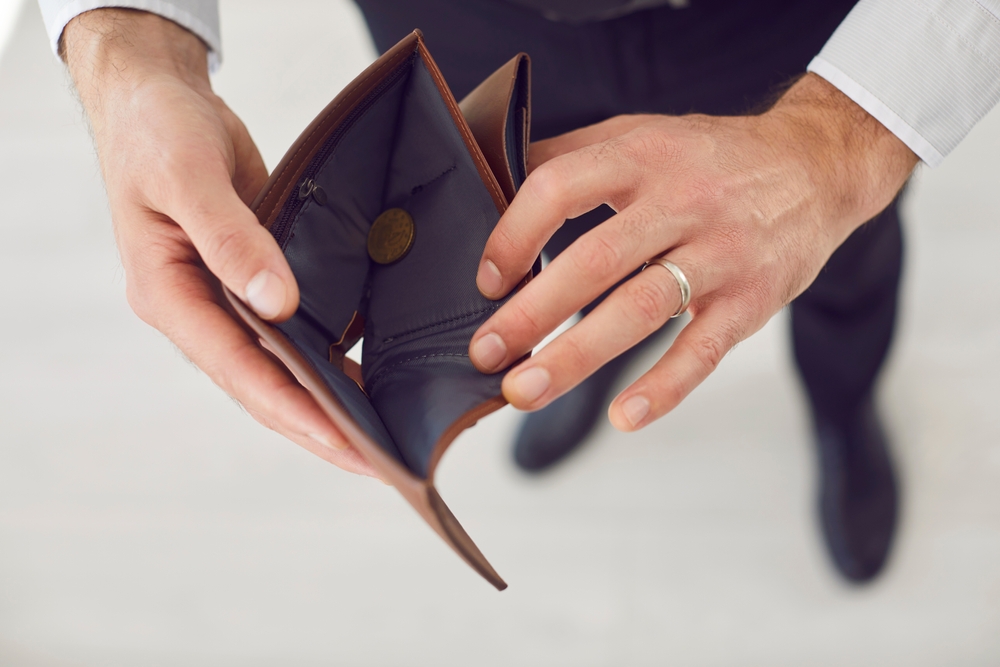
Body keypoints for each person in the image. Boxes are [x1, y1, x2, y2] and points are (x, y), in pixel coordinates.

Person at [36, 0, 1000, 583]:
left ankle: (842, 403)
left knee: (842, 253)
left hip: (803, 23)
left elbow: (849, 152)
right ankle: (594, 349)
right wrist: (127, 40)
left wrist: (857, 128)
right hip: (462, 10)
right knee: (536, 230)